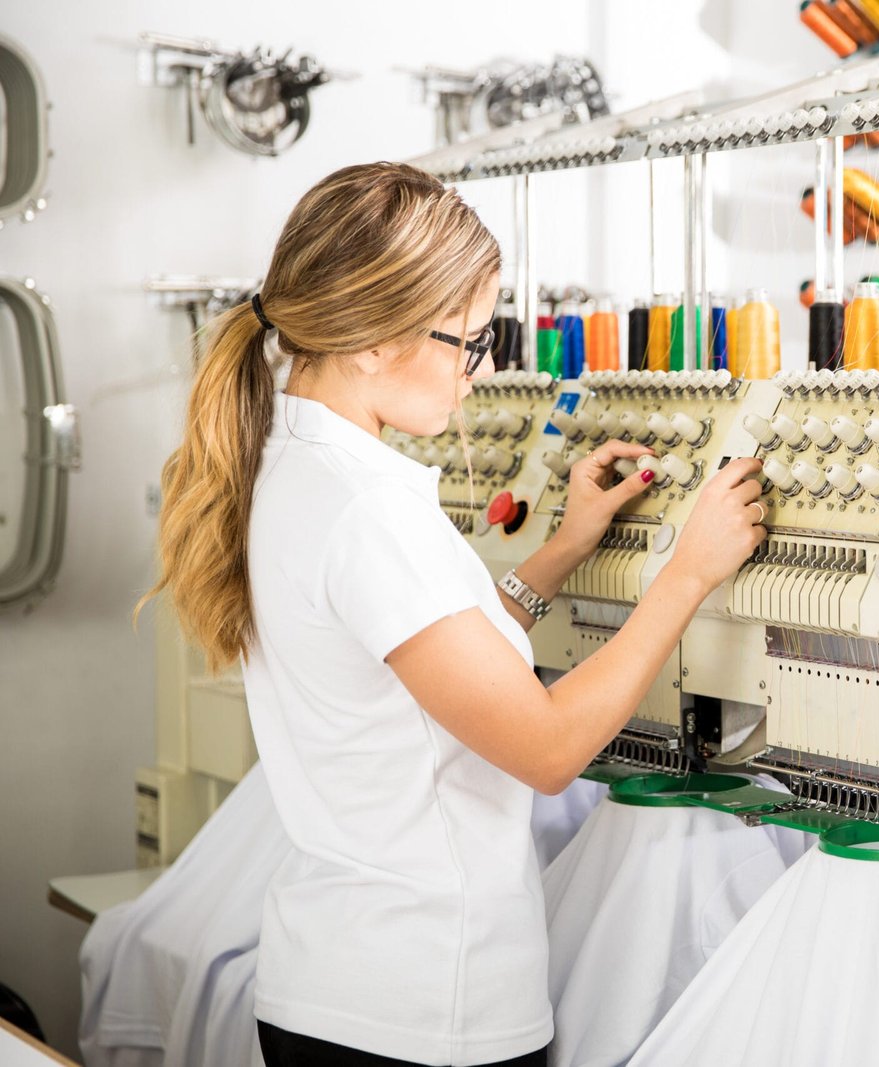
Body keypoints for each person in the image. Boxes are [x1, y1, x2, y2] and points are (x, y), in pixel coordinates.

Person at [139, 161, 766, 1067]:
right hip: (423, 1013)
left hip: (335, 992)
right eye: (468, 342)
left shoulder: (287, 465)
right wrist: (687, 574)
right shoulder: (369, 510)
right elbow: (547, 749)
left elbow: (430, 673)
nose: (483, 370)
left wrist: (558, 552)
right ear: (369, 340)